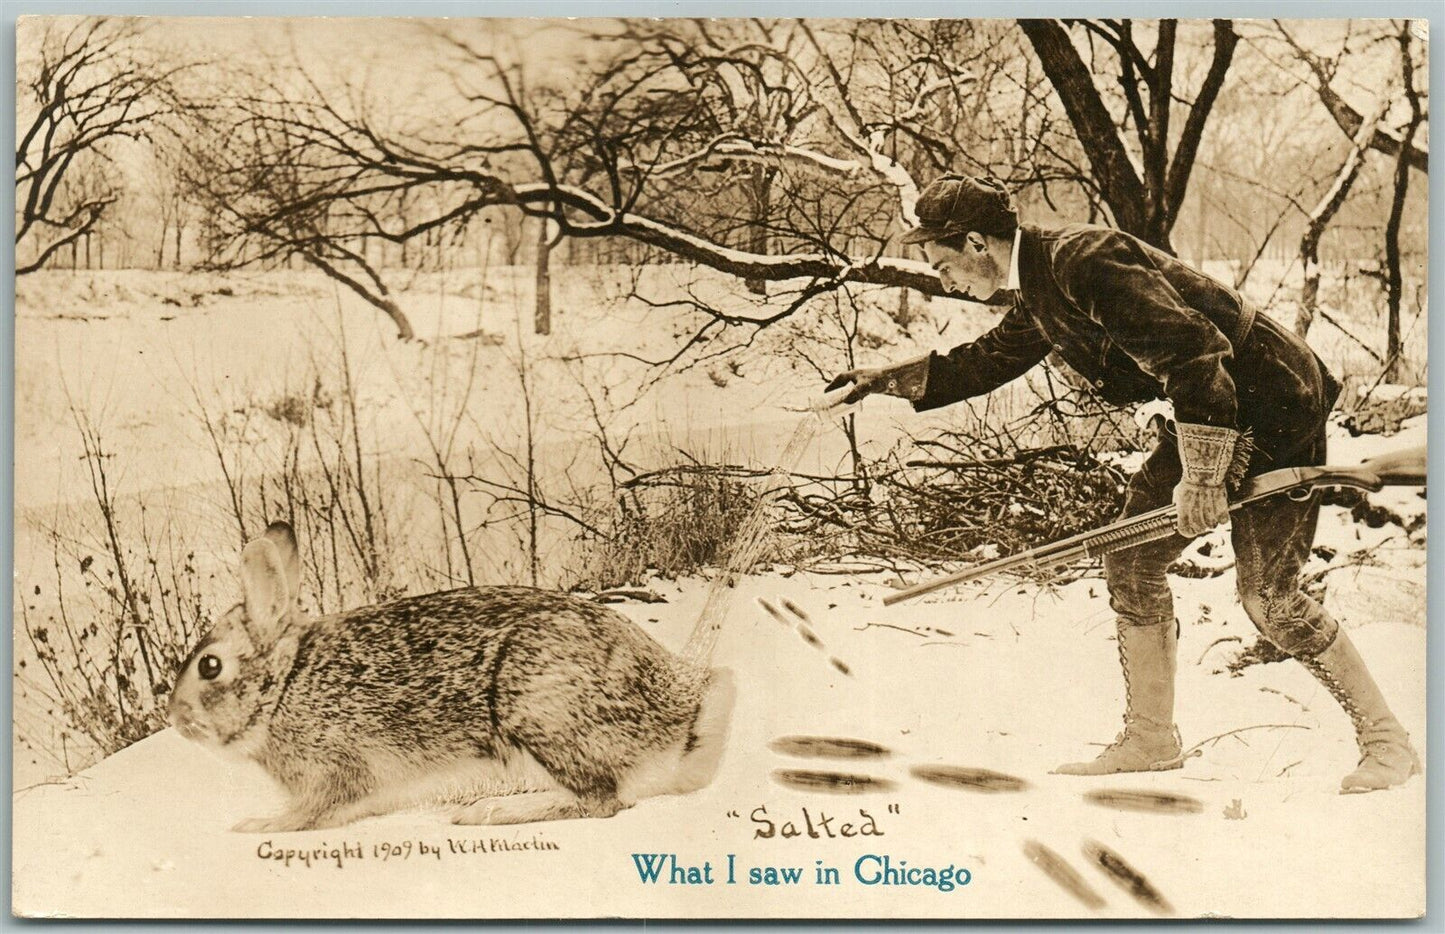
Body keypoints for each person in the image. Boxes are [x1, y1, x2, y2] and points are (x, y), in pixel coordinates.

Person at [828, 174, 1418, 792]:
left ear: (977, 242)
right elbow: (989, 359)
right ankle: (1150, 739)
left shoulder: (1084, 260)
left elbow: (1196, 354)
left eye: (944, 265)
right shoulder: (1039, 286)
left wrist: (1202, 478)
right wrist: (883, 379)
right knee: (1131, 560)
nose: (943, 282)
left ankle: (1388, 743)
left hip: (1274, 400)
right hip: (1213, 405)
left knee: (1268, 597)